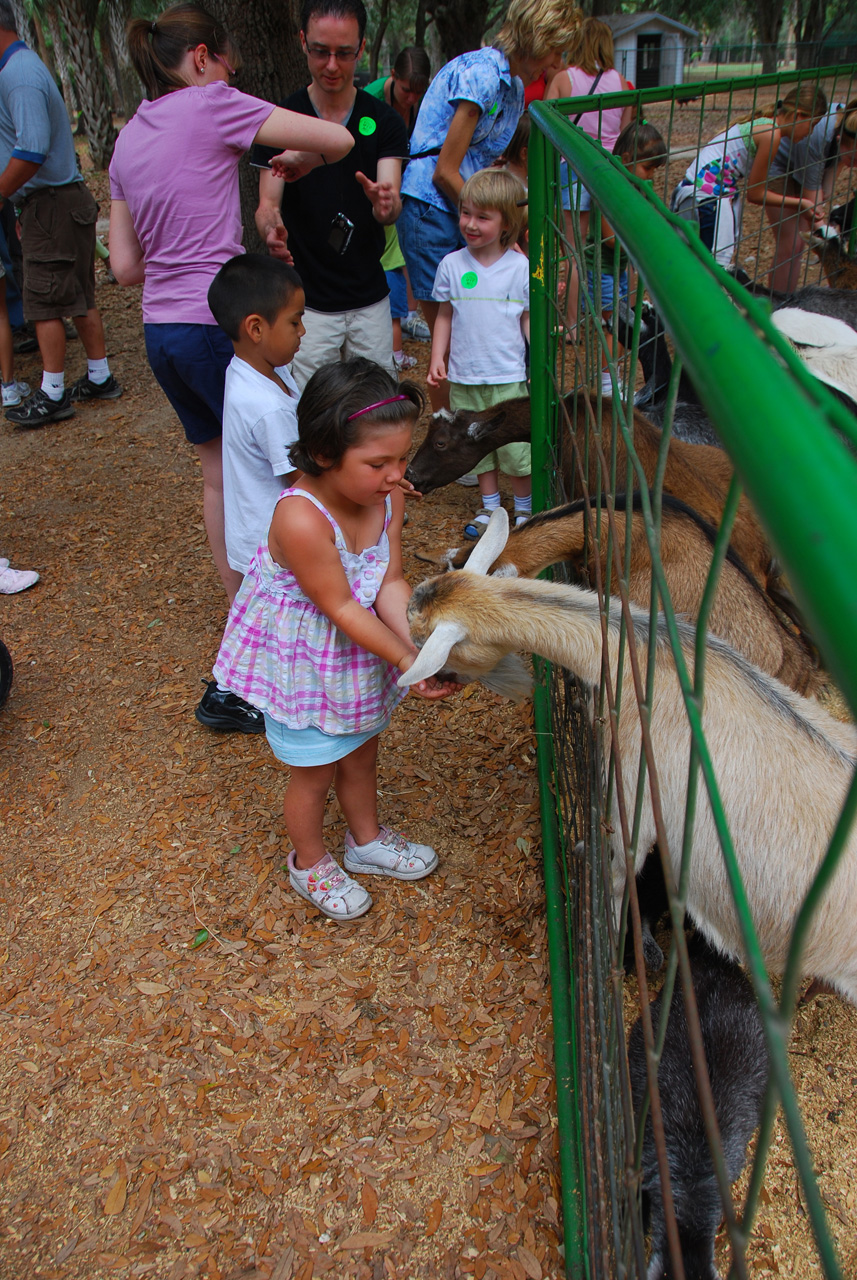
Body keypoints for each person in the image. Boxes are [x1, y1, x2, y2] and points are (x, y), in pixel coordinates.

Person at [108, 2, 352, 732]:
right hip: (220, 325)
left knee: (218, 474)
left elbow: (123, 267)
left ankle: (241, 616)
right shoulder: (212, 104)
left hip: (161, 331)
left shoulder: (127, 138)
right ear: (207, 58)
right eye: (232, 66)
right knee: (274, 477)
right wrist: (304, 161)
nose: (233, 78)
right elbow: (338, 136)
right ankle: (256, 651)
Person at [212, 358, 460, 920]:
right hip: (305, 662)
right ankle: (309, 859)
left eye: (401, 457)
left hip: (353, 655)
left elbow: (389, 581)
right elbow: (343, 604)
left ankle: (365, 840)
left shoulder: (387, 496)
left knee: (361, 751)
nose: (398, 473)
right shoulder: (301, 519)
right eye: (379, 462)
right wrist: (404, 659)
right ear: (323, 454)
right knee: (314, 771)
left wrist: (418, 651)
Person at [398, 0, 581, 411]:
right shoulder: (483, 74)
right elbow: (445, 171)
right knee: (453, 336)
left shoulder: (512, 87)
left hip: (465, 209)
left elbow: (484, 165)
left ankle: (477, 434)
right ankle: (452, 440)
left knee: (480, 327)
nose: (556, 62)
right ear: (538, 38)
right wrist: (498, 225)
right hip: (434, 209)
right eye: (556, 50)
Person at [253, 0, 408, 390]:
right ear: (303, 42)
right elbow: (267, 206)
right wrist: (271, 230)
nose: (332, 66)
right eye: (321, 51)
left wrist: (385, 204)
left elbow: (389, 203)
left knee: (376, 411)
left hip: (369, 298)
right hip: (305, 305)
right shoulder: (279, 119)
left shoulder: (384, 120)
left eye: (344, 53)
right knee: (310, 415)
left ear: (362, 48)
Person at [0, 0, 121, 428]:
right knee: (78, 295)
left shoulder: (18, 75)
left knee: (44, 300)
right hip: (57, 201)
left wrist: (2, 193)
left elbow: (30, 149)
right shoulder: (20, 69)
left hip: (50, 204)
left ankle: (52, 394)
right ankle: (99, 375)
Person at [427, 169, 531, 539]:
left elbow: (526, 319)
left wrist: (535, 360)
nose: (470, 224)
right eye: (465, 213)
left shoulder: (521, 269)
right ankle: (490, 508)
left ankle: (523, 511)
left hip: (507, 377)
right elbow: (445, 314)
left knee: (516, 448)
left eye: (482, 217)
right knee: (475, 446)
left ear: (507, 223)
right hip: (465, 376)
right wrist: (438, 357)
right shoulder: (452, 266)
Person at [670, 85, 825, 269]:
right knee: (714, 271)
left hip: (692, 190)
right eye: (813, 124)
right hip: (709, 199)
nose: (811, 132)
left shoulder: (765, 123)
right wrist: (800, 203)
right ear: (799, 115)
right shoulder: (771, 135)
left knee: (692, 263)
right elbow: (755, 194)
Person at [545, 17, 634, 330]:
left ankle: (571, 322)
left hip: (573, 170)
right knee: (613, 245)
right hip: (608, 172)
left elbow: (546, 127)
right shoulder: (621, 82)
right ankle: (620, 314)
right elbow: (625, 134)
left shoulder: (563, 79)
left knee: (573, 252)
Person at [584, 122, 667, 397]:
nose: (651, 176)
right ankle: (608, 388)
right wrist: (643, 242)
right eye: (648, 168)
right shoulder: (609, 187)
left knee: (622, 324)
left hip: (618, 266)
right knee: (615, 327)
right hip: (603, 267)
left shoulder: (631, 187)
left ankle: (613, 382)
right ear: (628, 159)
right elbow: (610, 238)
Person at [364, 46, 432, 365]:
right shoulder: (372, 99)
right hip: (377, 182)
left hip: (408, 182)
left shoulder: (423, 106)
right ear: (393, 76)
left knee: (408, 245)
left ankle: (409, 313)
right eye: (407, 90)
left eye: (419, 92)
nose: (412, 98)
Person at [766, 96, 856, 291]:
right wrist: (829, 241)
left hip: (808, 165)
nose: (855, 165)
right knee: (792, 245)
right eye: (854, 158)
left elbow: (826, 186)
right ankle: (777, 308)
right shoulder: (817, 139)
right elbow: (813, 207)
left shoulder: (848, 132)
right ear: (840, 140)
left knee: (802, 238)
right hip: (779, 165)